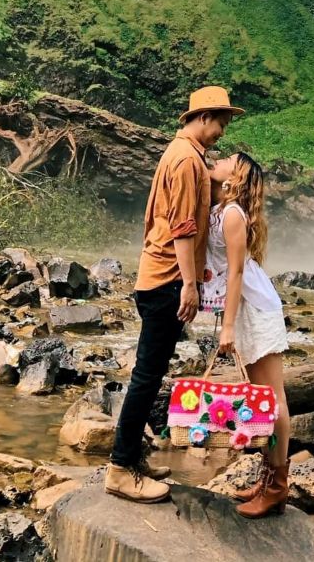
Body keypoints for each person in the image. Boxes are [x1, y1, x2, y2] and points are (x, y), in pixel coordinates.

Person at [104, 84, 244, 503]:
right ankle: (119, 469)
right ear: (203, 117)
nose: (222, 131)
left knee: (149, 375)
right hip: (166, 279)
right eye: (221, 122)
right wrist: (189, 283)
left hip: (159, 276)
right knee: (146, 379)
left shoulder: (187, 156)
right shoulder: (185, 161)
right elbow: (183, 228)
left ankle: (132, 459)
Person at [202, 150, 291, 518]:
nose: (218, 159)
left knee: (273, 398)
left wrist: (227, 326)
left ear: (234, 176)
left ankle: (278, 486)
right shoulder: (222, 209)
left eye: (226, 160)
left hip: (255, 308)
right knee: (263, 396)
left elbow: (236, 273)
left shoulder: (234, 215)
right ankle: (268, 476)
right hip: (245, 307)